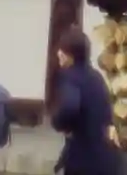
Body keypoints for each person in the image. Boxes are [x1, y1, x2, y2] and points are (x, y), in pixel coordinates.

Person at [49, 28, 121, 175]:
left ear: (70, 55)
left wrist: (58, 122)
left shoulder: (71, 77)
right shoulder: (96, 77)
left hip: (84, 157)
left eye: (62, 50)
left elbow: (69, 108)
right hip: (107, 158)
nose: (58, 54)